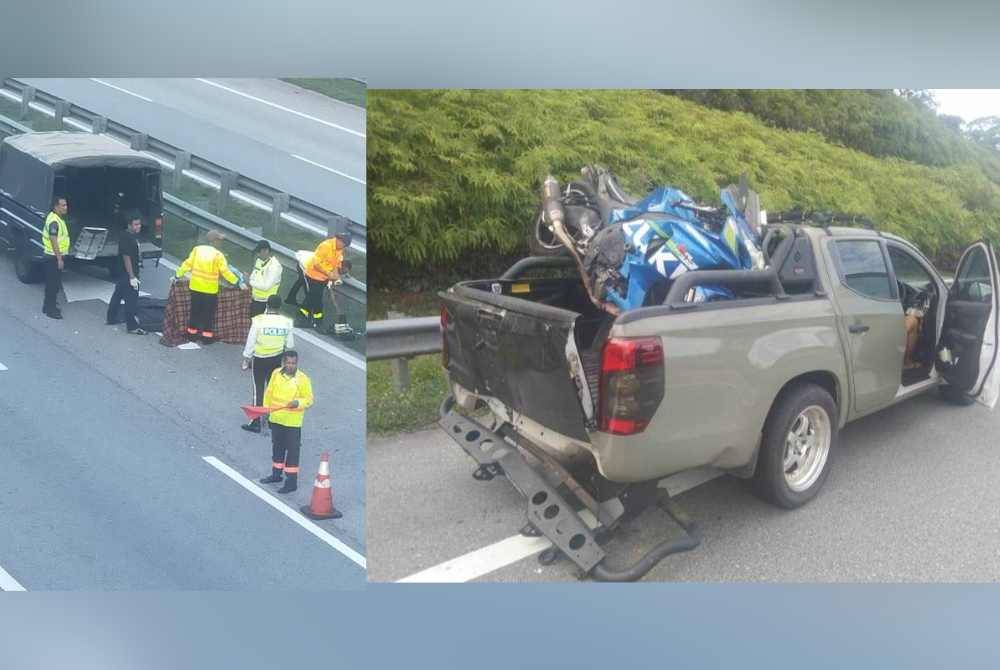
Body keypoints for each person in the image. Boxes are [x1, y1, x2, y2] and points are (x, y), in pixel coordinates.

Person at [172, 230, 245, 342]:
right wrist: (237, 282)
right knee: (208, 314)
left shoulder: (197, 250)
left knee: (195, 312)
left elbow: (187, 264)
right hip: (210, 291)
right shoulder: (218, 255)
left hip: (195, 288)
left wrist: (177, 275)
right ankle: (206, 337)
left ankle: (192, 335)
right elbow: (225, 272)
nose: (220, 242)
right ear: (214, 241)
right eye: (219, 240)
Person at [259, 350, 313, 494]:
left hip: (292, 423)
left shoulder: (302, 379)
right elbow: (269, 393)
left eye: (293, 363)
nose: (290, 366)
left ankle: (291, 482)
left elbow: (309, 399)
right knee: (277, 447)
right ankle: (276, 475)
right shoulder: (276, 373)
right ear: (283, 362)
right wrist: (265, 412)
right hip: (276, 418)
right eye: (288, 363)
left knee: (293, 452)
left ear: (297, 363)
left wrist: (298, 402)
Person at [241, 295, 294, 433]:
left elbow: (251, 341)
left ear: (267, 305)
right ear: (280, 306)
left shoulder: (258, 320)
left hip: (260, 359)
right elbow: (290, 344)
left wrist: (246, 358)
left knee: (258, 390)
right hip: (277, 360)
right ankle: (273, 420)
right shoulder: (287, 322)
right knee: (274, 390)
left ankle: (256, 422)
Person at [297, 228, 351, 329]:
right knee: (315, 298)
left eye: (345, 246)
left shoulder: (339, 250)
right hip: (312, 275)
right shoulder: (326, 246)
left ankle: (307, 319)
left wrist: (336, 276)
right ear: (339, 240)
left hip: (323, 278)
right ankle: (315, 321)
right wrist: (328, 273)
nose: (343, 247)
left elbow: (336, 264)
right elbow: (316, 263)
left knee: (313, 297)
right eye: (343, 244)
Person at [105, 214, 146, 335]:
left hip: (124, 273)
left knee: (118, 294)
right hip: (129, 273)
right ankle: (132, 326)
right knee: (132, 299)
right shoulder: (127, 238)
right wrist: (132, 277)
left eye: (139, 224)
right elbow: (126, 257)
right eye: (136, 224)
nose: (138, 226)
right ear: (129, 225)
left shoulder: (129, 236)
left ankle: (111, 318)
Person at [42, 196, 70, 319]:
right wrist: (59, 259)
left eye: (66, 205)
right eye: (63, 205)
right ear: (56, 207)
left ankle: (47, 305)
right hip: (53, 257)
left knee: (52, 283)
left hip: (53, 256)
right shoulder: (54, 221)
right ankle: (50, 310)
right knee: (53, 284)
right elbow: (53, 240)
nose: (65, 207)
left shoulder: (56, 218)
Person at [248, 240, 282, 318]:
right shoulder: (259, 261)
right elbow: (254, 276)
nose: (258, 255)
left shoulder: (274, 266)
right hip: (255, 300)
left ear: (266, 251)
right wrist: (249, 278)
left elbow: (266, 286)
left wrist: (249, 282)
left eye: (259, 252)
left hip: (266, 303)